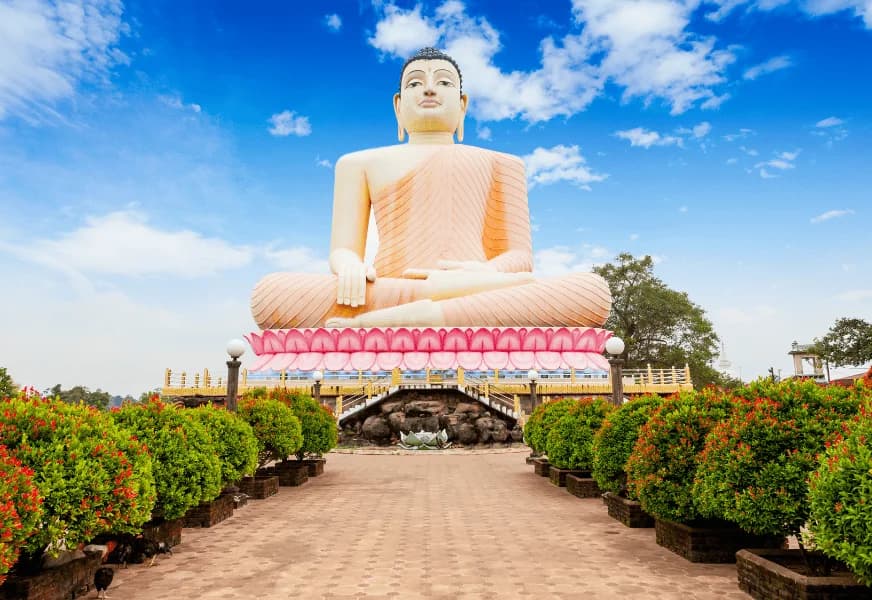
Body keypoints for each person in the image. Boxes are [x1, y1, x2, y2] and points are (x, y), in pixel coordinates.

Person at [251, 47, 611, 329]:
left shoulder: (502, 163)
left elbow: (519, 258)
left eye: (443, 82)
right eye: (414, 83)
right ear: (398, 105)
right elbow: (344, 249)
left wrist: (481, 276)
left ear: (462, 104)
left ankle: (384, 324)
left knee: (590, 291)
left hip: (478, 287)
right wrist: (349, 266)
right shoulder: (357, 164)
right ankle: (419, 313)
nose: (428, 88)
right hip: (389, 290)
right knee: (270, 295)